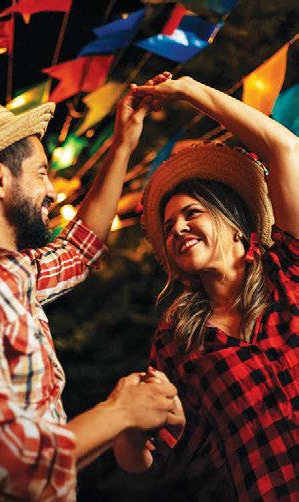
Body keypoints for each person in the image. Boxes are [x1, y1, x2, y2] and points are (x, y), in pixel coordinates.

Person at [0, 74, 183, 501]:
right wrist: (120, 411)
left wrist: (122, 146)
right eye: (41, 173)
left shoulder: (5, 273)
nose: (51, 191)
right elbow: (12, 470)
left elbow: (79, 250)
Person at [112, 73, 299, 501]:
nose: (178, 228)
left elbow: (285, 148)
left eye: (192, 213)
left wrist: (188, 90)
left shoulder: (289, 268)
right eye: (168, 227)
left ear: (235, 225)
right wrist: (126, 426)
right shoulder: (178, 340)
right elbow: (146, 459)